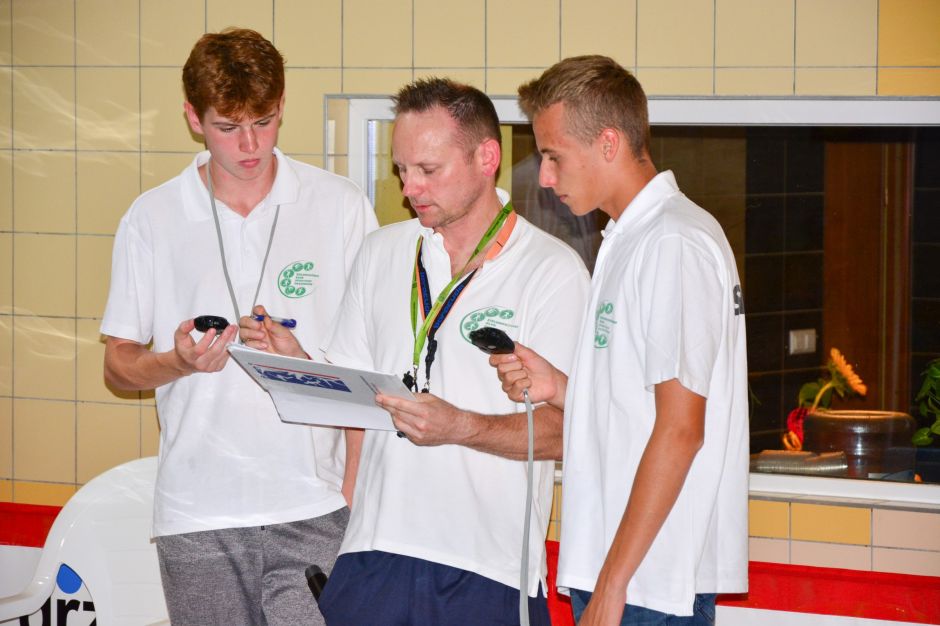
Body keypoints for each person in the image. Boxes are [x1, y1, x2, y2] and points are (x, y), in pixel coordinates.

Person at [239, 77, 591, 625]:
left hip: (486, 563)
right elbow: (357, 402)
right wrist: (298, 362)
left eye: (428, 169)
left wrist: (460, 427)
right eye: (402, 170)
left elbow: (570, 432)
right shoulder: (381, 252)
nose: (410, 188)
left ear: (486, 158)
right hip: (374, 550)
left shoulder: (551, 271)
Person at [100, 28, 377, 625]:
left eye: (265, 122)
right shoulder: (152, 218)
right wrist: (175, 362)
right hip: (197, 515)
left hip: (315, 506)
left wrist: (352, 495)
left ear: (282, 106)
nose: (250, 145)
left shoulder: (340, 206)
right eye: (228, 127)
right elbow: (118, 365)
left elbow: (370, 368)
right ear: (193, 118)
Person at [493, 55, 749, 625]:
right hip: (625, 576)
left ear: (608, 143)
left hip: (647, 585)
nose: (546, 178)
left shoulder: (672, 242)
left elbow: (681, 429)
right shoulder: (628, 239)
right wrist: (561, 387)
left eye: (555, 157)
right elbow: (639, 408)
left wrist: (613, 586)